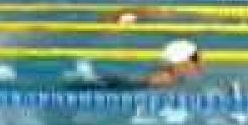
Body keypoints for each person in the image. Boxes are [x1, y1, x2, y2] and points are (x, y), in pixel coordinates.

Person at [65, 40, 204, 90]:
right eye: (195, 59)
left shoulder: (171, 77)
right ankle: (88, 78)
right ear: (180, 62)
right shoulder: (162, 80)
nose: (199, 64)